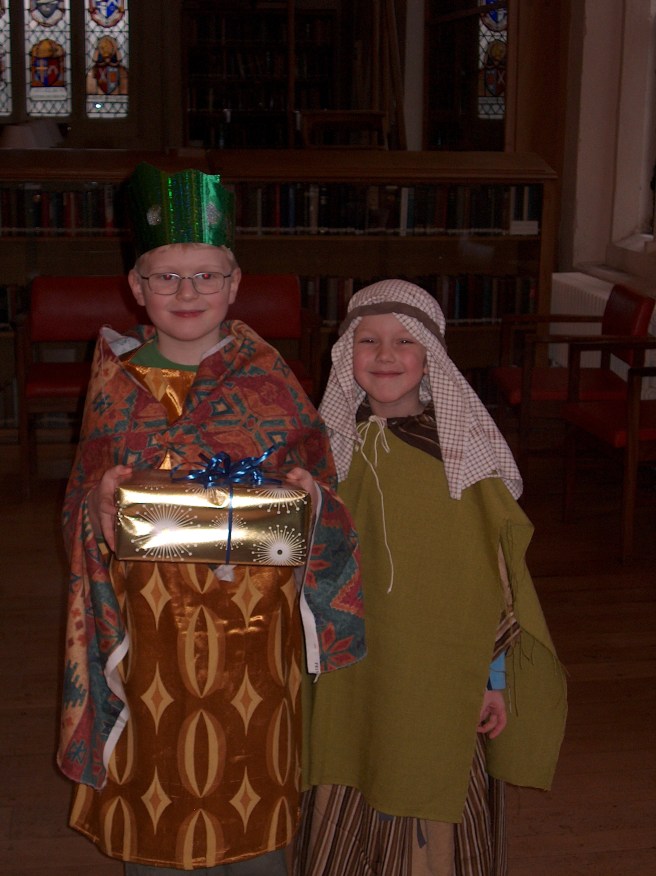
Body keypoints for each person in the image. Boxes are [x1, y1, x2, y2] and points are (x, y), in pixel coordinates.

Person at [57, 162, 365, 874]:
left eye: (205, 276)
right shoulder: (112, 384)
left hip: (253, 648)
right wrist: (98, 503)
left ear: (233, 283)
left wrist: (309, 501)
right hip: (148, 642)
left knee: (250, 793)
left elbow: (323, 490)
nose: (187, 292)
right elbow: (78, 504)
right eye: (167, 276)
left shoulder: (270, 378)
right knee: (154, 781)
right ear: (137, 287)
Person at [295, 279, 568, 876]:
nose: (386, 355)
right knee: (352, 754)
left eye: (404, 341)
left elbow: (492, 583)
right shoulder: (332, 455)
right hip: (354, 670)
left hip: (438, 676)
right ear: (346, 355)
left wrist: (490, 678)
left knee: (425, 768)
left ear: (432, 360)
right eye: (368, 340)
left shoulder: (462, 461)